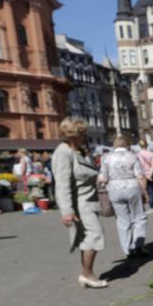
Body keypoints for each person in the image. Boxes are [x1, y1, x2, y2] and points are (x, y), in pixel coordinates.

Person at [51, 117, 107, 288]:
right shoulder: (63, 152)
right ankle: (87, 274)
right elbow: (62, 184)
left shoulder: (76, 150)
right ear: (73, 135)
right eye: (83, 134)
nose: (86, 136)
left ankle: (86, 273)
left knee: (87, 237)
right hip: (80, 204)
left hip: (88, 202)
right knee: (95, 235)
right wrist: (66, 211)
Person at [99, 136, 149, 258]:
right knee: (139, 217)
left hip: (115, 190)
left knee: (122, 220)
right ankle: (139, 245)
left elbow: (102, 178)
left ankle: (128, 249)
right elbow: (140, 176)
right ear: (127, 145)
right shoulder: (133, 156)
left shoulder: (106, 158)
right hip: (132, 187)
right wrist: (145, 192)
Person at [137, 139, 153, 213]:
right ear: (146, 145)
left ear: (140, 146)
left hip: (142, 174)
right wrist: (150, 173)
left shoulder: (138, 155)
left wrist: (143, 174)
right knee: (151, 190)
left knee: (143, 190)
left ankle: (142, 207)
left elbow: (138, 166)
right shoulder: (151, 154)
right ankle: (152, 206)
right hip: (150, 173)